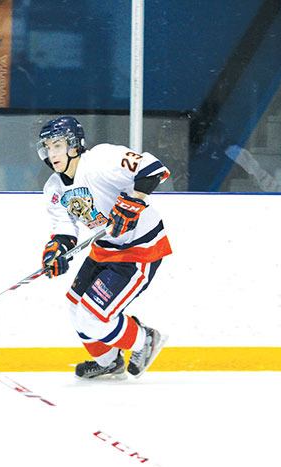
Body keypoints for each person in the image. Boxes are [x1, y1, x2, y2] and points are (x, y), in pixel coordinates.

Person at [36, 116, 171, 380]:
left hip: (138, 249)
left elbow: (155, 169)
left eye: (58, 145)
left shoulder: (100, 160)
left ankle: (145, 339)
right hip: (105, 248)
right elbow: (65, 230)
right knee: (76, 308)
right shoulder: (54, 187)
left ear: (74, 145)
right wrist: (56, 251)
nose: (52, 153)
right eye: (48, 147)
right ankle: (108, 361)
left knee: (92, 317)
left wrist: (134, 202)